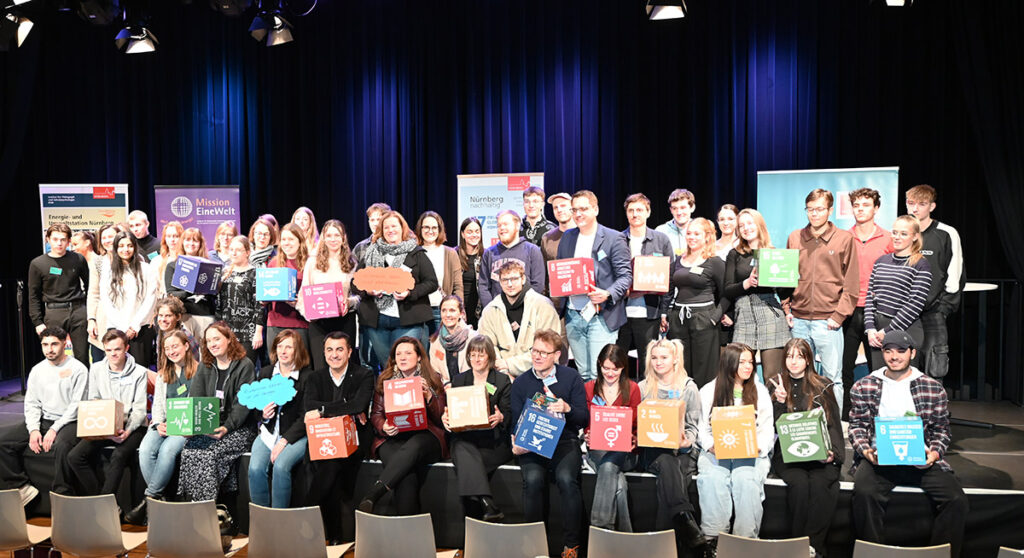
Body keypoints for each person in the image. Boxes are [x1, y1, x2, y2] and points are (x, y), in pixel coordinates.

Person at [848, 330, 967, 557]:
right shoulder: (864, 385)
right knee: (864, 494)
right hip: (879, 459)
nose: (894, 356)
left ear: (912, 353)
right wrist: (867, 452)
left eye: (901, 351)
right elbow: (857, 426)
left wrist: (933, 454)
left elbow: (941, 429)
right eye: (888, 351)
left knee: (956, 499)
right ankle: (871, 554)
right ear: (882, 353)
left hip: (920, 460)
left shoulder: (932, 387)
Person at [509, 329, 588, 558]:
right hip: (532, 443)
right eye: (534, 351)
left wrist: (567, 408)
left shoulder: (570, 377)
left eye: (544, 352)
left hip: (564, 441)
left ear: (556, 355)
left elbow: (583, 418)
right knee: (533, 480)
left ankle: (571, 546)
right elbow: (515, 422)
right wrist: (516, 441)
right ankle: (535, 546)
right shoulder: (522, 383)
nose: (537, 356)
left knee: (566, 479)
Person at [768, 338, 843, 557]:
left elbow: (834, 424)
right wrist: (779, 402)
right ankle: (797, 545)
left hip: (821, 454)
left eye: (799, 356)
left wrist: (833, 455)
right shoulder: (775, 384)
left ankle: (814, 548)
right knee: (799, 485)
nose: (794, 361)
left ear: (808, 359)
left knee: (822, 484)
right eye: (790, 356)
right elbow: (772, 427)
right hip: (789, 455)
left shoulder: (823, 385)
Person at [784, 188, 859, 406]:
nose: (814, 214)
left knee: (832, 379)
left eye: (819, 209)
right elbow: (786, 279)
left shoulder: (844, 239)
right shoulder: (795, 237)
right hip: (798, 320)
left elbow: (852, 283)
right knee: (798, 377)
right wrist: (787, 309)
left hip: (828, 322)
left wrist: (838, 316)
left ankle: (832, 428)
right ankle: (803, 426)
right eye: (810, 209)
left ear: (830, 210)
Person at [697, 343, 773, 550]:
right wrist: (711, 446)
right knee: (712, 478)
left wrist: (757, 448)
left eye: (751, 362)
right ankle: (713, 539)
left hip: (750, 453)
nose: (748, 366)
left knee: (745, 479)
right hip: (717, 452)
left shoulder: (760, 392)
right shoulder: (708, 391)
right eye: (743, 362)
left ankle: (744, 541)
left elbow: (767, 430)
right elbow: (701, 429)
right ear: (729, 363)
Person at [360, 337, 448, 515]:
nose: (402, 357)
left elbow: (440, 418)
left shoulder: (432, 378)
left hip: (426, 435)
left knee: (414, 447)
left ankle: (373, 494)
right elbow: (376, 415)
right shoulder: (385, 380)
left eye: (408, 353)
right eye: (398, 354)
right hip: (393, 437)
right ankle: (408, 536)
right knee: (406, 474)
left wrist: (429, 398)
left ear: (419, 357)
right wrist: (383, 426)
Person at [0, 327, 87, 504]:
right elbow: (31, 403)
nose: (49, 349)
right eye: (45, 345)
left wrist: (55, 429)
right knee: (3, 441)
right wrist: (33, 429)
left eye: (54, 344)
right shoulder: (37, 370)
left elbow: (77, 406)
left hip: (70, 421)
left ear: (64, 343)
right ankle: (21, 487)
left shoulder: (78, 369)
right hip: (44, 420)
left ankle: (63, 495)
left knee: (63, 447)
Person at [303, 331, 375, 543]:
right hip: (323, 439)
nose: (334, 355)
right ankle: (334, 538)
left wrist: (324, 411)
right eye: (330, 350)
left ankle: (307, 512)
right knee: (330, 464)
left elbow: (358, 405)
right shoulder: (314, 377)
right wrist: (345, 406)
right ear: (324, 353)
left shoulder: (364, 374)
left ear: (349, 352)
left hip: (355, 439)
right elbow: (309, 406)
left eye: (340, 349)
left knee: (330, 464)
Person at [636, 338, 705, 552]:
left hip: (682, 451)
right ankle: (685, 523)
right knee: (667, 464)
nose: (658, 362)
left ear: (675, 359)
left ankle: (661, 548)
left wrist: (686, 442)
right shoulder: (643, 388)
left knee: (671, 476)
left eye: (664, 357)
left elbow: (693, 427)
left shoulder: (689, 387)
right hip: (654, 451)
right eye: (654, 358)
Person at [556, 190, 632, 382]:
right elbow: (560, 271)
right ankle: (587, 412)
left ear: (595, 209)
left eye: (583, 209)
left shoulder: (614, 238)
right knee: (582, 375)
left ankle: (601, 412)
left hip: (602, 315)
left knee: (601, 374)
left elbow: (625, 277)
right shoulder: (567, 237)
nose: (578, 214)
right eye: (575, 210)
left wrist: (607, 293)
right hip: (573, 314)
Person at [178, 322, 257, 504]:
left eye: (217, 339)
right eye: (208, 341)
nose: (212, 344)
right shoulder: (205, 366)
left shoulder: (245, 365)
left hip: (239, 429)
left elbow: (242, 405)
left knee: (208, 454)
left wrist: (226, 427)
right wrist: (191, 425)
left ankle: (208, 510)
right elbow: (195, 400)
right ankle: (193, 506)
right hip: (210, 426)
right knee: (189, 450)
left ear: (229, 339)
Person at [125, 330, 195, 524]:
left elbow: (198, 406)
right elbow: (157, 406)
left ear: (186, 346)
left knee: (167, 450)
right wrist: (157, 423)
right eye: (167, 348)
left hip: (186, 429)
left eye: (175, 346)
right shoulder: (164, 375)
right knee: (146, 449)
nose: (172, 351)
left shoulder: (200, 372)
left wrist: (179, 426)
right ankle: (161, 500)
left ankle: (150, 499)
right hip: (164, 424)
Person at [66, 330, 148, 497]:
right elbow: (94, 400)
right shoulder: (96, 369)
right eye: (109, 350)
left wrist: (127, 432)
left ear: (126, 348)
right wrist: (104, 429)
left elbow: (139, 410)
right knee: (75, 456)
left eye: (117, 349)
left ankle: (104, 504)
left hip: (132, 425)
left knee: (118, 455)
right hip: (104, 423)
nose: (113, 354)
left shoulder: (139, 372)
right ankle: (102, 500)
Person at [442, 335, 512, 522]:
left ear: (489, 356)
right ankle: (487, 503)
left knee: (466, 462)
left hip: (493, 442)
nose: (476, 359)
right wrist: (446, 419)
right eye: (472, 355)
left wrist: (501, 417)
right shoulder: (459, 380)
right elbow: (451, 412)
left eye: (481, 355)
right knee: (460, 446)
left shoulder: (502, 380)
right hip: (466, 439)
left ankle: (480, 505)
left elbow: (508, 414)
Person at [354, 211, 438, 365]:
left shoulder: (415, 253)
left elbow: (432, 282)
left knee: (405, 365)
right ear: (381, 230)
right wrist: (368, 290)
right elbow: (355, 283)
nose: (390, 230)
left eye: (394, 226)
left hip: (408, 320)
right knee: (388, 367)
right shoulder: (372, 252)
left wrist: (410, 293)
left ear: (402, 228)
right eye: (386, 227)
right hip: (377, 322)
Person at [840, 188, 895, 417]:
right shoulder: (844, 237)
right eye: (856, 205)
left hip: (878, 311)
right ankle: (845, 415)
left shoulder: (889, 238)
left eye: (866, 204)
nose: (860, 209)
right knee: (844, 368)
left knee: (878, 367)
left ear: (876, 208)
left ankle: (879, 414)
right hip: (848, 310)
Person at [723, 209, 792, 386]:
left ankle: (773, 413)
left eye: (750, 223)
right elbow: (727, 289)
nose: (746, 228)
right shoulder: (735, 254)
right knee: (741, 375)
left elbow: (784, 294)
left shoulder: (774, 253)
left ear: (759, 225)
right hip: (744, 317)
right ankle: (746, 413)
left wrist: (788, 279)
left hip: (771, 316)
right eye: (741, 225)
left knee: (773, 377)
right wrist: (746, 283)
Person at [248, 329, 313, 508]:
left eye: (289, 347)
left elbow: (305, 417)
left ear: (297, 350)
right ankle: (261, 520)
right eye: (279, 346)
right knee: (255, 469)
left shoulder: (307, 377)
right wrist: (263, 414)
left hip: (295, 436)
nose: (283, 351)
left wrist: (284, 441)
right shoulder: (266, 372)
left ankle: (279, 521)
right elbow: (254, 409)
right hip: (268, 433)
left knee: (281, 467)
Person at [905, 184, 964, 380]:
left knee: (935, 367)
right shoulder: (900, 232)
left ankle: (935, 410)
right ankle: (907, 410)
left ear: (932, 206)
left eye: (921, 204)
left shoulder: (946, 233)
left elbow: (955, 273)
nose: (915, 208)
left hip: (933, 312)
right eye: (911, 203)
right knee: (904, 366)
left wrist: (944, 307)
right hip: (903, 313)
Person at [584, 344, 640, 532]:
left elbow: (638, 423)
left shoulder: (632, 389)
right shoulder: (589, 388)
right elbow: (584, 421)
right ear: (599, 365)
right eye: (605, 368)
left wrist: (635, 438)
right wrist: (587, 434)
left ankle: (600, 528)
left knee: (609, 467)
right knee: (619, 484)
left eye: (615, 369)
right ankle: (625, 537)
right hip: (597, 451)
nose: (610, 373)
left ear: (623, 367)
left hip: (625, 452)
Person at [864, 216, 932, 370]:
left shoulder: (921, 264)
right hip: (877, 332)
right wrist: (870, 329)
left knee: (903, 383)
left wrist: (887, 331)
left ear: (914, 236)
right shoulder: (881, 261)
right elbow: (870, 297)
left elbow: (915, 304)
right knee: (881, 382)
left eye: (903, 233)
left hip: (905, 329)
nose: (897, 237)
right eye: (894, 232)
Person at [618, 193, 674, 375]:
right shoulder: (616, 239)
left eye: (640, 210)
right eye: (631, 210)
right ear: (626, 213)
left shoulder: (661, 240)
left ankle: (645, 400)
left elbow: (669, 278)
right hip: (620, 313)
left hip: (650, 312)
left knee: (647, 364)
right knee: (618, 361)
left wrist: (664, 312)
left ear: (648, 213)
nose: (635, 214)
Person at [667, 218, 726, 387]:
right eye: (689, 233)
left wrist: (714, 318)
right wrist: (667, 314)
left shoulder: (715, 262)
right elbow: (669, 289)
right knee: (680, 368)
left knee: (704, 370)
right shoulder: (679, 260)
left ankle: (703, 409)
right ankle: (683, 408)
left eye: (696, 233)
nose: (691, 237)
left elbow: (726, 294)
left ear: (707, 236)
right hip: (679, 319)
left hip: (704, 319)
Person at [477, 260, 561, 377]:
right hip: (502, 375)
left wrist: (509, 364)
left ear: (523, 279)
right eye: (505, 280)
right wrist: (504, 374)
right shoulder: (490, 310)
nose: (510, 284)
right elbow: (487, 347)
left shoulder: (543, 306)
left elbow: (549, 350)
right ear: (500, 282)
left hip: (540, 374)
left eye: (514, 279)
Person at [300, 220, 361, 371]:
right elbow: (303, 294)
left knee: (345, 367)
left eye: (337, 235)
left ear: (343, 238)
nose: (333, 239)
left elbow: (360, 296)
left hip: (345, 321)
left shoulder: (352, 262)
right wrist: (307, 313)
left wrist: (349, 302)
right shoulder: (312, 262)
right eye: (329, 235)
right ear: (323, 238)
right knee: (321, 368)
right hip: (319, 323)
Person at [28, 223, 90, 364]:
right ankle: (56, 386)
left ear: (68, 241)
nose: (59, 243)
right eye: (55, 239)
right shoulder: (38, 264)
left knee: (83, 356)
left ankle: (84, 386)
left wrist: (89, 313)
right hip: (54, 311)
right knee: (54, 355)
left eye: (63, 239)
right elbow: (33, 295)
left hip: (78, 310)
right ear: (48, 239)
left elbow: (90, 286)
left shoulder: (78, 259)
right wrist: (37, 322)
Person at [94, 231, 158, 367]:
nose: (125, 249)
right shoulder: (109, 272)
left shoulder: (147, 269)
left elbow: (150, 299)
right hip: (115, 328)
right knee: (117, 369)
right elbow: (106, 301)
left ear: (135, 247)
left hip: (140, 329)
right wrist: (122, 328)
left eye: (129, 245)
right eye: (121, 246)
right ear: (116, 248)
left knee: (141, 369)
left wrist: (134, 326)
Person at [477, 209, 546, 308]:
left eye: (505, 224)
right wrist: (492, 310)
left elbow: (537, 285)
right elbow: (484, 286)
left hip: (526, 311)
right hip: (497, 313)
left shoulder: (532, 251)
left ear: (517, 226)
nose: (502, 228)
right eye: (499, 225)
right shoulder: (489, 253)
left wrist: (521, 308)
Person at [217, 235, 264, 364]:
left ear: (248, 252)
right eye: (231, 249)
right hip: (227, 331)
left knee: (246, 370)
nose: (234, 253)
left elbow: (259, 305)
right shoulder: (224, 273)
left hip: (248, 332)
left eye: (238, 250)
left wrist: (258, 332)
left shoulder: (256, 273)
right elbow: (219, 302)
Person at [415, 211, 464, 335]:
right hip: (418, 310)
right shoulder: (413, 253)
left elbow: (458, 286)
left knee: (440, 352)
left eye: (434, 227)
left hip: (442, 311)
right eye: (426, 227)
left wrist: (460, 310)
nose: (430, 231)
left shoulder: (450, 253)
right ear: (420, 229)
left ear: (439, 229)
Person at [266, 223, 311, 351]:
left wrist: (299, 302)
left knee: (301, 364)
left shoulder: (309, 263)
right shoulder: (274, 263)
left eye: (291, 239)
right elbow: (266, 293)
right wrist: (264, 299)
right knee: (277, 364)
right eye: (284, 239)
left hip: (300, 323)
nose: (287, 243)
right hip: (275, 323)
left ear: (300, 241)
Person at [164, 227, 217, 336]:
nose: (191, 243)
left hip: (206, 316)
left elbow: (214, 294)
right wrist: (192, 290)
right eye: (187, 240)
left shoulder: (210, 266)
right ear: (182, 243)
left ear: (200, 244)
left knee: (205, 352)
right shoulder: (173, 266)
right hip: (184, 316)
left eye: (195, 240)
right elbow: (171, 293)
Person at [428, 295, 475, 384]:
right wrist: (446, 384)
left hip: (470, 388)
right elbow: (435, 372)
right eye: (444, 310)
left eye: (452, 310)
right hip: (445, 389)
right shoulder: (435, 341)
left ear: (461, 314)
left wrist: (456, 386)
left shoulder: (473, 338)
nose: (447, 315)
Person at [457, 217, 483, 328]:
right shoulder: (454, 254)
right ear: (463, 234)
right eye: (470, 232)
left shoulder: (486, 255)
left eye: (477, 231)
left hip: (480, 309)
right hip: (459, 309)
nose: (474, 235)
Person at [655, 189, 696, 257]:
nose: (679, 212)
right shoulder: (660, 231)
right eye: (675, 208)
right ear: (671, 210)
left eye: (683, 208)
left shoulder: (701, 229)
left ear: (692, 208)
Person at [540, 192, 575, 266]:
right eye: (555, 207)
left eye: (563, 206)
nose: (559, 210)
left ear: (572, 208)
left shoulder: (583, 234)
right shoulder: (547, 238)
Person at [353, 202, 391, 267]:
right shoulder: (360, 247)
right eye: (372, 220)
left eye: (378, 219)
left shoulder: (396, 245)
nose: (375, 224)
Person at [155, 221, 185, 295]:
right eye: (168, 236)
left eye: (176, 236)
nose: (172, 240)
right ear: (164, 238)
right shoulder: (156, 261)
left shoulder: (187, 260)